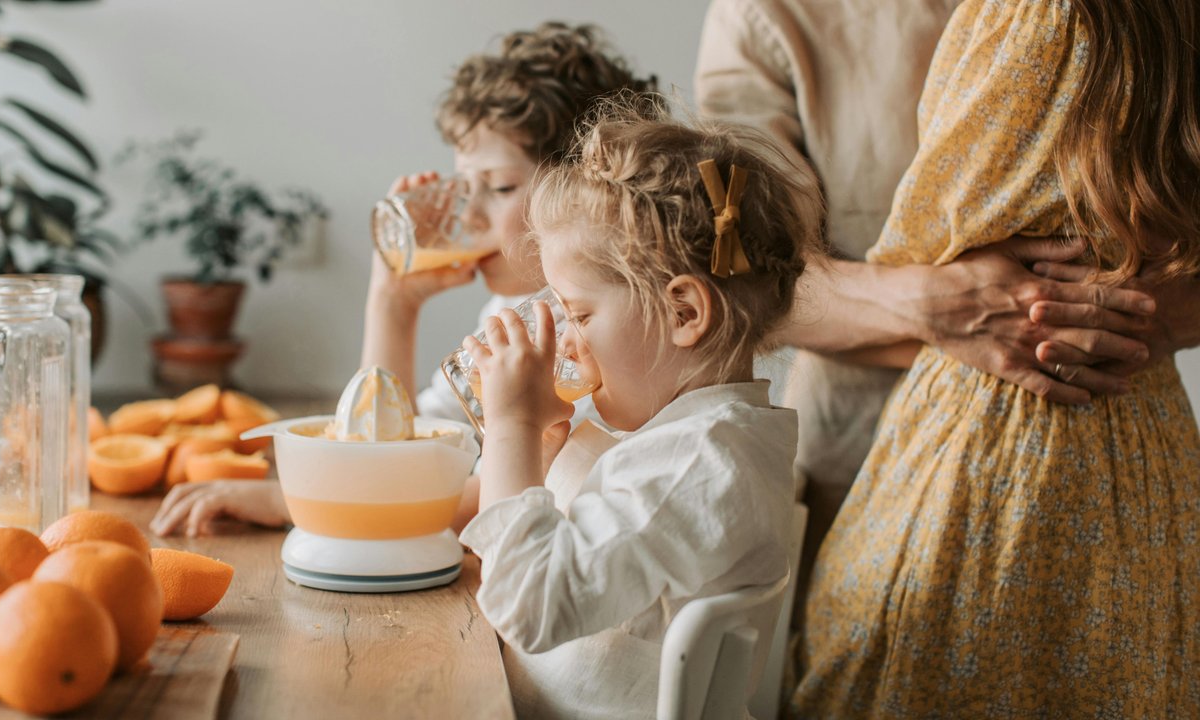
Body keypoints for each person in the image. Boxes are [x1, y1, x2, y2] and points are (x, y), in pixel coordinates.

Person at [693, 0, 1173, 624]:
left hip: (1101, 472)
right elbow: (731, 275)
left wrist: (1150, 313)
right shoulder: (763, 17)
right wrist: (934, 306)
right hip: (858, 465)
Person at [791, 0, 1200, 715]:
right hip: (1136, 454)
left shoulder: (1039, 15)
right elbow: (726, 273)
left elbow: (935, 228)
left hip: (1000, 455)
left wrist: (1160, 304)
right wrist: (926, 297)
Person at [152, 22, 655, 538]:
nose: (468, 216)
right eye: (463, 187)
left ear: (584, 195)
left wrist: (296, 503)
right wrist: (392, 303)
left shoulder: (600, 330)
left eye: (499, 187)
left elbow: (485, 495)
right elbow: (396, 454)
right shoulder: (507, 317)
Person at [458, 104, 821, 718]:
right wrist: (540, 444)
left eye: (578, 315)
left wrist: (512, 426)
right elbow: (541, 556)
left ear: (684, 313)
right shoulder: (700, 440)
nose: (567, 341)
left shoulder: (696, 464)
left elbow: (526, 606)